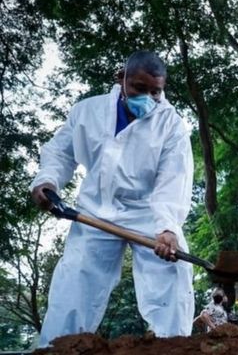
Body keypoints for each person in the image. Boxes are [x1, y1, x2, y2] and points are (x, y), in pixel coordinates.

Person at [30, 50, 195, 347]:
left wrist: (168, 228)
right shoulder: (86, 111)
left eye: (156, 91)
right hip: (94, 212)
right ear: (121, 79)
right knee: (76, 280)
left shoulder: (171, 124)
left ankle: (175, 348)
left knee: (173, 271)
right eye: (139, 89)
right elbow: (59, 152)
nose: (148, 97)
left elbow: (174, 179)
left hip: (150, 215)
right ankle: (57, 349)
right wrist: (46, 181)